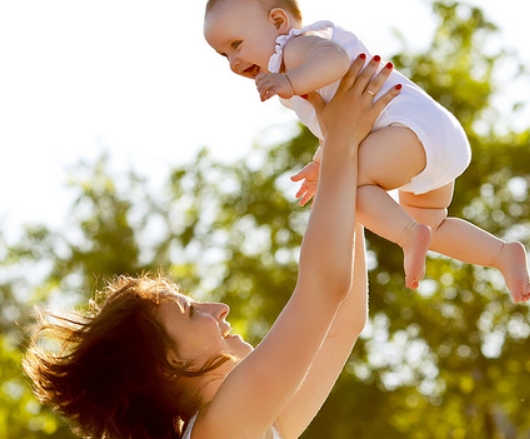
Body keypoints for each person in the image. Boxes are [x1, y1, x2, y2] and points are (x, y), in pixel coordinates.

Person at [23, 57, 400, 439]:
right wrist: (339, 143)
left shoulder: (243, 427)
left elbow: (342, 325)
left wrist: (342, 168)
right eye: (189, 312)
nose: (219, 309)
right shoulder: (222, 429)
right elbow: (326, 291)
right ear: (167, 364)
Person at [203, 0, 530, 303]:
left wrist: (291, 82)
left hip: (406, 130)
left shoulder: (294, 48)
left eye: (236, 45)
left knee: (344, 189)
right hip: (428, 135)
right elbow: (335, 128)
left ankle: (407, 236)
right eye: (223, 55)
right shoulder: (294, 69)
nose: (233, 62)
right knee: (433, 224)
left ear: (277, 22)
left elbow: (333, 60)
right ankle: (501, 254)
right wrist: (322, 162)